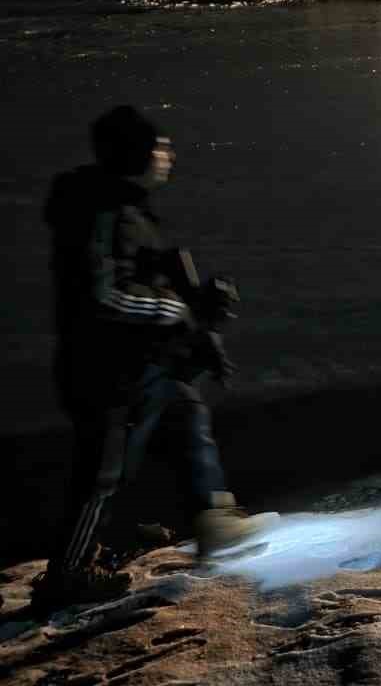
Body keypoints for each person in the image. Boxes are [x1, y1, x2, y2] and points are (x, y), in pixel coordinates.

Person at [32, 108, 271, 614]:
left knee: (186, 415)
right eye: (160, 148)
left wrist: (195, 315)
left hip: (140, 365)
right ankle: (67, 575)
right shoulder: (102, 213)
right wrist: (175, 309)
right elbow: (103, 296)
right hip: (106, 372)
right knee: (104, 474)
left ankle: (214, 519)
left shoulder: (124, 209)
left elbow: (146, 278)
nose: (168, 156)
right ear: (136, 154)